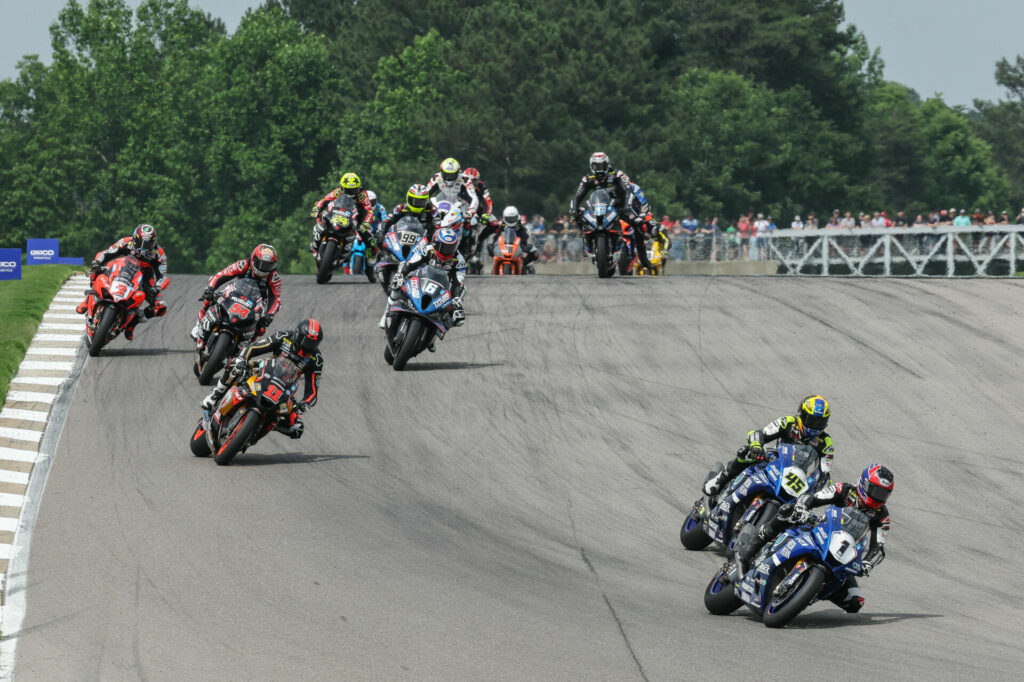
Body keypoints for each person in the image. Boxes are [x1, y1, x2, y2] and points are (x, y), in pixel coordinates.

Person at [732, 463, 893, 614]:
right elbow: (815, 497)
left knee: (854, 603)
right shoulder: (844, 489)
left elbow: (878, 547)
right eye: (875, 491)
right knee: (786, 511)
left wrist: (868, 564)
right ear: (863, 483)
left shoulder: (882, 516)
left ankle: (810, 591)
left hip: (842, 553)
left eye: (883, 494)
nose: (878, 497)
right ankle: (751, 547)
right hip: (821, 530)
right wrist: (803, 506)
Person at [201, 318, 324, 439]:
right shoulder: (284, 337)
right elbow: (254, 347)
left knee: (297, 429)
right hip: (266, 369)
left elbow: (312, 391)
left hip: (285, 386)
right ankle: (216, 395)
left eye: (313, 344)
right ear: (298, 335)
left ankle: (268, 426)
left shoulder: (316, 359)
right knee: (236, 365)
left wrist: (304, 405)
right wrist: (242, 359)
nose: (309, 347)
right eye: (306, 342)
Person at [704, 394, 835, 497]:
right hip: (774, 459)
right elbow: (761, 433)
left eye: (820, 422)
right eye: (811, 420)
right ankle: (720, 479)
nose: (815, 426)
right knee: (746, 451)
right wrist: (756, 446)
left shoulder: (826, 442)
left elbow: (824, 471)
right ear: (802, 414)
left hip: (795, 477)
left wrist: (821, 486)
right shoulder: (788, 422)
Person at [378, 213, 468, 341]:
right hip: (419, 280)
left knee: (458, 318)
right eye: (443, 247)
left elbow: (459, 282)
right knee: (396, 284)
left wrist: (458, 299)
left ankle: (433, 338)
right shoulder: (427, 250)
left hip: (442, 288)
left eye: (450, 248)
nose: (446, 251)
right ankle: (386, 313)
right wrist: (400, 274)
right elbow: (410, 263)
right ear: (435, 243)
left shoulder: (459, 260)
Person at [78, 224, 169, 340]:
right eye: (141, 243)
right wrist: (97, 262)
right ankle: (88, 300)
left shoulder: (159, 254)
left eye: (148, 244)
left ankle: (132, 325)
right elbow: (107, 253)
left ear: (154, 242)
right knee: (96, 271)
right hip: (123, 267)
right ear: (134, 239)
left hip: (145, 275)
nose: (143, 248)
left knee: (161, 307)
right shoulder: (126, 242)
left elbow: (163, 276)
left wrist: (158, 287)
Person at [568, 152, 653, 268]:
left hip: (619, 207)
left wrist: (628, 205)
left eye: (602, 166)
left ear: (607, 164)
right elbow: (578, 196)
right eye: (596, 166)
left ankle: (643, 258)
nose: (599, 169)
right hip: (597, 207)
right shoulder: (588, 179)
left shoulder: (617, 174)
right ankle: (584, 237)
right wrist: (574, 209)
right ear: (591, 166)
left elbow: (627, 190)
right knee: (579, 215)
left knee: (638, 225)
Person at [190, 244, 282, 348]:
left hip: (256, 301)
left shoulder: (274, 277)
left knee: (261, 328)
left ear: (273, 266)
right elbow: (222, 275)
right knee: (210, 297)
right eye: (260, 264)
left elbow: (275, 298)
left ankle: (244, 348)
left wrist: (269, 315)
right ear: (253, 259)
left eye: (267, 266)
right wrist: (210, 288)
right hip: (237, 292)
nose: (263, 268)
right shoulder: (243, 264)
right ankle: (200, 323)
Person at [309, 173, 375, 254]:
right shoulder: (338, 191)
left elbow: (369, 210)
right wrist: (317, 208)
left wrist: (366, 222)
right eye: (348, 190)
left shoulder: (362, 195)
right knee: (321, 217)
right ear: (342, 187)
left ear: (359, 188)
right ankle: (315, 241)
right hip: (336, 213)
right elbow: (325, 199)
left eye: (354, 190)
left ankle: (369, 254)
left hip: (355, 217)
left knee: (369, 238)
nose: (351, 193)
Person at [477, 205, 539, 271]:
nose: (511, 220)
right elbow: (497, 234)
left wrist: (526, 245)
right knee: (490, 247)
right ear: (505, 217)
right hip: (505, 245)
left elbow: (524, 235)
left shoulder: (520, 224)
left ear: (517, 217)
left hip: (518, 245)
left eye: (513, 218)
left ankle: (524, 264)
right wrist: (492, 244)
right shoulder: (502, 224)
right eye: (509, 219)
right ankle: (497, 265)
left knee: (535, 253)